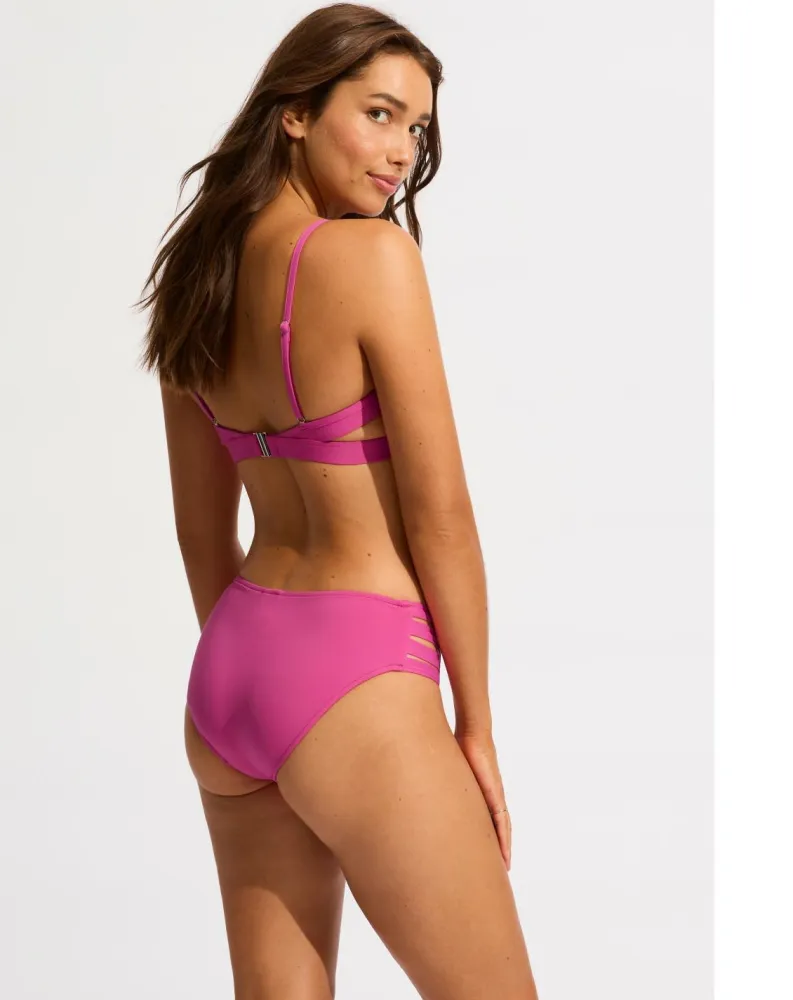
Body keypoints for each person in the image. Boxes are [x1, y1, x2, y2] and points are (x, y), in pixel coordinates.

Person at [135, 4, 539, 997]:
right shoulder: (371, 259)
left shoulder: (193, 278)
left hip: (229, 675)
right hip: (358, 674)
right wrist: (476, 728)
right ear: (296, 112)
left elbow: (199, 531)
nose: (401, 151)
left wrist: (261, 676)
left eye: (418, 128)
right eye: (380, 113)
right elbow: (442, 518)